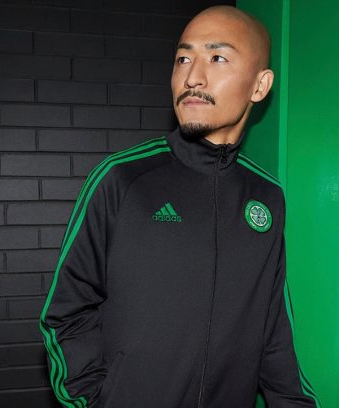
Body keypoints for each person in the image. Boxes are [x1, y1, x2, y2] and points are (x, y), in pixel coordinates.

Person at [40, 5, 320, 408]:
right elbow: (66, 312)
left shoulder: (267, 196)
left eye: (217, 58)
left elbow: (273, 327)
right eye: (183, 59)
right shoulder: (122, 179)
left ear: (260, 86)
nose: (192, 77)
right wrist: (94, 401)